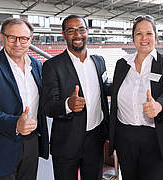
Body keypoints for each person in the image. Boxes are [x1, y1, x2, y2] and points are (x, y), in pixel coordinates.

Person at [0, 18, 49, 180]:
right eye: (12, 37)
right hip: (0, 145)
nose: (18, 43)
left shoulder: (37, 65)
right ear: (2, 37)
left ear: (30, 40)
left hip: (32, 142)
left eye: (23, 38)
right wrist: (15, 124)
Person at [108, 15, 163, 180]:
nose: (144, 38)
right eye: (139, 33)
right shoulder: (122, 64)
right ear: (133, 38)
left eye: (149, 33)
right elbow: (114, 89)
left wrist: (159, 106)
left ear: (156, 36)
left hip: (156, 139)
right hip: (125, 137)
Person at [42, 15, 109, 180]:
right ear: (64, 35)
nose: (77, 35)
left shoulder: (98, 61)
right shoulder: (52, 66)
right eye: (71, 31)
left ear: (87, 31)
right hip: (66, 143)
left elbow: (105, 88)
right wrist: (67, 104)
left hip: (95, 139)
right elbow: (48, 106)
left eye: (81, 29)